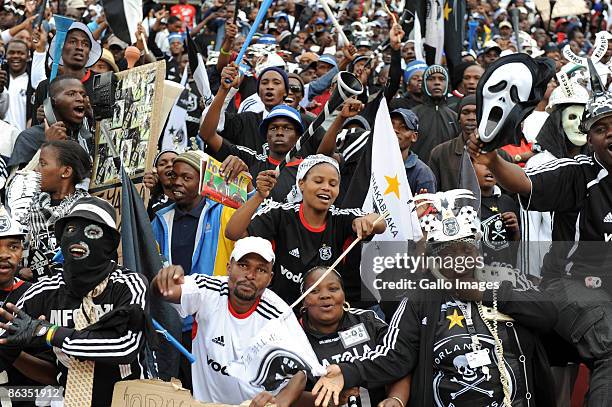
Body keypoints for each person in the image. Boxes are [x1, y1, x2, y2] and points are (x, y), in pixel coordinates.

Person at [311, 189, 557, 407]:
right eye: (448, 252)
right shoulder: (418, 299)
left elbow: (548, 314)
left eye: (466, 249)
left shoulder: (506, 278)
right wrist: (348, 372)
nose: (459, 260)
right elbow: (394, 355)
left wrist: (486, 293)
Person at [467, 65, 612, 406]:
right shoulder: (577, 173)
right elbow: (524, 183)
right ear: (588, 139)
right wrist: (492, 160)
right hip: (569, 285)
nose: (611, 135)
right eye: (601, 129)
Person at [0, 196, 151, 406]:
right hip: (67, 399)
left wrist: (49, 332)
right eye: (71, 230)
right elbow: (6, 343)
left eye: (92, 232)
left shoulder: (129, 284)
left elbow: (125, 346)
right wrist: (10, 344)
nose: (79, 240)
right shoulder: (44, 291)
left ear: (108, 244)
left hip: (125, 399)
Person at [152, 236, 308, 405]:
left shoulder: (279, 315)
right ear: (228, 267)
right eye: (243, 265)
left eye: (261, 270)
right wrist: (164, 280)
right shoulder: (207, 291)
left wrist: (278, 403)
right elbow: (165, 291)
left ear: (270, 278)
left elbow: (300, 373)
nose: (250, 275)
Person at [225, 154, 386, 305]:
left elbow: (380, 221)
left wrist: (366, 221)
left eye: (333, 184)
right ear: (301, 184)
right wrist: (259, 196)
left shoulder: (341, 218)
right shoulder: (280, 214)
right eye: (318, 181)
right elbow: (233, 233)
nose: (326, 188)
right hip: (280, 310)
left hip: (321, 314)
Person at [151, 149, 236, 390]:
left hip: (212, 321)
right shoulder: (160, 220)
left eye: (186, 178)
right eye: (174, 176)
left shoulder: (225, 212)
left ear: (203, 182)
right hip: (173, 325)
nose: (176, 182)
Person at [300, 266, 411, 407]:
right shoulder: (293, 335)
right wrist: (326, 401)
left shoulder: (367, 320)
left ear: (344, 295)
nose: (325, 295)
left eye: (333, 289)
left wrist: (396, 399)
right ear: (303, 300)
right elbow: (284, 393)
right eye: (314, 291)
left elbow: (399, 360)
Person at [22, 140, 91, 282]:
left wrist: (41, 272)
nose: (36, 170)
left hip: (69, 288)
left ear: (66, 172)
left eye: (43, 164)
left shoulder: (85, 209)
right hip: (29, 288)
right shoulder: (29, 205)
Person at [8, 76, 93, 171]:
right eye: (71, 94)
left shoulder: (88, 135)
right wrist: (48, 145)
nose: (80, 98)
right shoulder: (30, 137)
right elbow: (16, 182)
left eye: (83, 95)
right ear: (51, 102)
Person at [31, 21, 102, 126]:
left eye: (85, 44)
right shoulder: (45, 87)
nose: (79, 47)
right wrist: (42, 121)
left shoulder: (102, 83)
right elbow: (35, 135)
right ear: (60, 49)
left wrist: (91, 114)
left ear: (89, 53)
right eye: (73, 42)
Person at [473, 160, 520, 268]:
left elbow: (514, 246)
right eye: (481, 163)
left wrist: (515, 231)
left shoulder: (507, 201)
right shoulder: (464, 203)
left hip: (505, 271)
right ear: (469, 168)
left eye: (492, 164)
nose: (488, 168)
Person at [410, 64, 459, 164]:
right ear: (424, 83)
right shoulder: (412, 115)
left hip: (447, 174)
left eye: (441, 79)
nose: (437, 83)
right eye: (431, 79)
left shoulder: (455, 117)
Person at [390, 108, 436, 194]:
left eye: (403, 127)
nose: (395, 130)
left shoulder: (422, 174)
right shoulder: (372, 163)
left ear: (414, 137)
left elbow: (426, 207)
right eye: (391, 125)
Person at [144, 149, 178, 220]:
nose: (169, 165)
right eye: (162, 164)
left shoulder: (194, 201)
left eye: (174, 161)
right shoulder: (151, 205)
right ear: (156, 173)